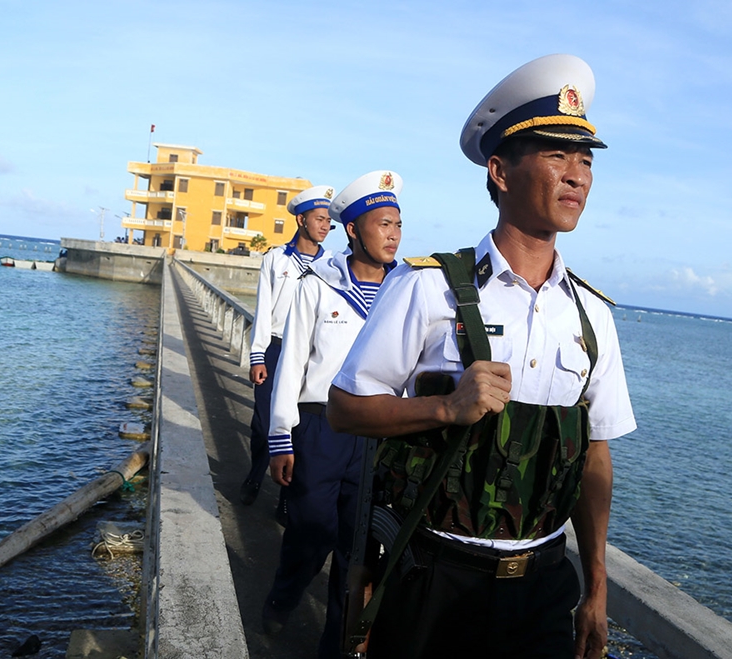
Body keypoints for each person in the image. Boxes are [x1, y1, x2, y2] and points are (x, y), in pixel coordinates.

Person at [327, 54, 637, 659]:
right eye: (556, 155)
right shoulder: (428, 287)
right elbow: (344, 409)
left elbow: (594, 454)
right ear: (499, 171)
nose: (577, 176)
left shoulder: (591, 317)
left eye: (585, 160)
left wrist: (596, 587)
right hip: (435, 577)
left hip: (545, 586)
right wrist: (446, 409)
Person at [263, 171, 404, 659]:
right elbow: (293, 362)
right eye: (383, 224)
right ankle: (284, 594)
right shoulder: (318, 286)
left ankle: (337, 647)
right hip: (321, 428)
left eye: (398, 225)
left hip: (379, 432)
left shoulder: (406, 290)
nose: (393, 235)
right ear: (353, 230)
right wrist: (281, 437)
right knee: (311, 531)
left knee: (359, 550)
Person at [240, 185, 334, 506]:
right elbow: (262, 310)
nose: (325, 226)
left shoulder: (333, 266)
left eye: (329, 222)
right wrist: (257, 356)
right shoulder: (275, 259)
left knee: (299, 428)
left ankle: (285, 498)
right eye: (319, 219)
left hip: (309, 355)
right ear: (301, 219)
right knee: (264, 423)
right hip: (276, 350)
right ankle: (254, 476)